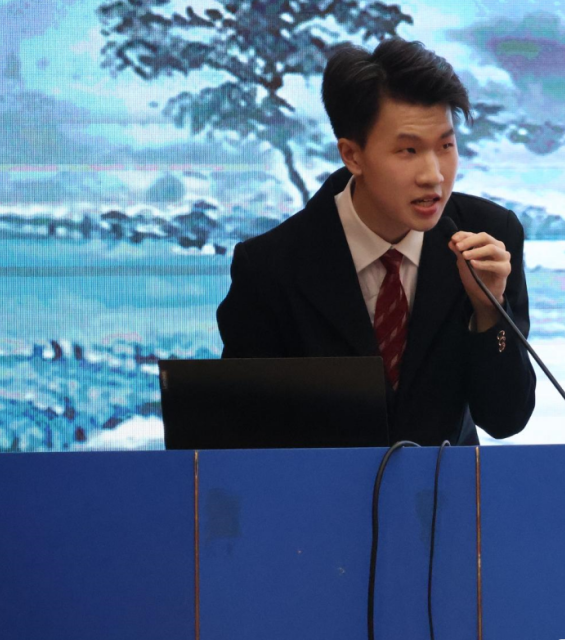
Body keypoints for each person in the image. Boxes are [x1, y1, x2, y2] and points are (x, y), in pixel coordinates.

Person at [216, 38, 536, 446]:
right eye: (408, 150)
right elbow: (240, 436)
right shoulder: (271, 267)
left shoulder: (489, 235)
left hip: (446, 484)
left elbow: (506, 419)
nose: (434, 175)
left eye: (446, 146)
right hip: (322, 485)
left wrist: (489, 310)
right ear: (352, 155)